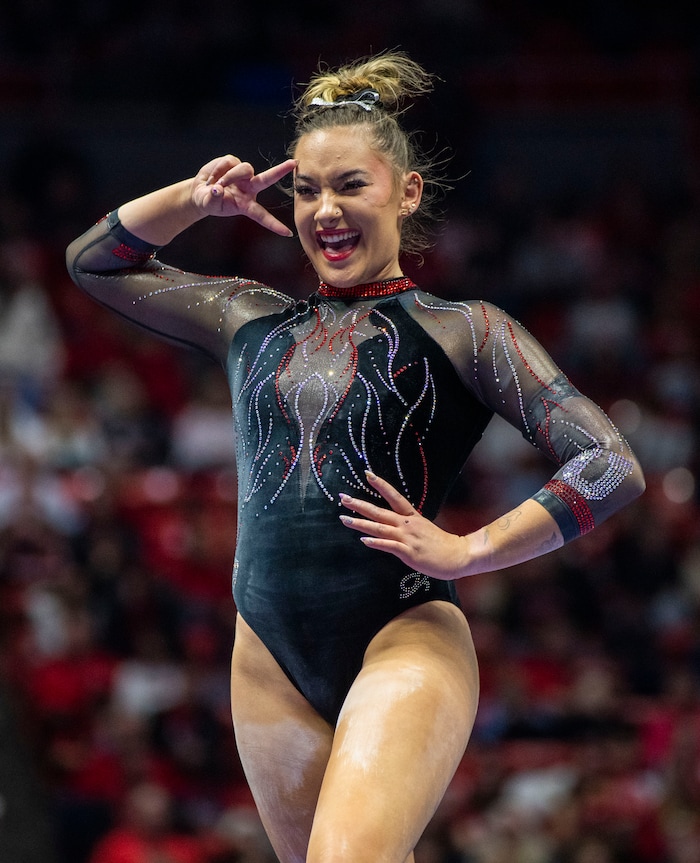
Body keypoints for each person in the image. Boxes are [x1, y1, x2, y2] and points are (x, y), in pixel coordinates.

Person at [66, 51, 645, 863]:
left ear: (406, 191)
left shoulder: (465, 329)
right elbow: (95, 261)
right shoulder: (247, 316)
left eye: (350, 186)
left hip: (401, 632)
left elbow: (608, 463)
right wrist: (195, 201)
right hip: (266, 653)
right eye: (305, 190)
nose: (324, 211)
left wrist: (472, 548)